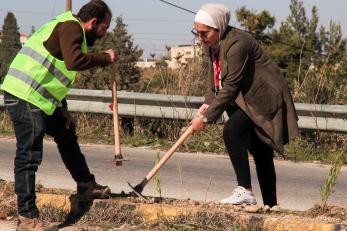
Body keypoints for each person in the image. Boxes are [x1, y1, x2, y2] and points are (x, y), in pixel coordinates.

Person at [1, 1, 115, 230]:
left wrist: (62, 109)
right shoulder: (71, 27)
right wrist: (104, 57)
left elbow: (54, 72)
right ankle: (27, 216)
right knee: (29, 153)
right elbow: (74, 62)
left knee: (66, 132)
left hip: (40, 98)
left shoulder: (70, 29)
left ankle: (85, 185)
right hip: (24, 95)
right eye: (104, 28)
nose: (104, 34)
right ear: (93, 23)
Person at [190, 3, 299, 207]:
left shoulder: (238, 43)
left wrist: (205, 119)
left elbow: (231, 85)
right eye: (197, 33)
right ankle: (271, 206)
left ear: (218, 27)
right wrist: (207, 102)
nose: (200, 38)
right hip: (243, 100)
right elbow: (212, 76)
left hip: (261, 99)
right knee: (260, 152)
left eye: (204, 33)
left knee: (232, 131)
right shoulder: (213, 45)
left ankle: (245, 191)